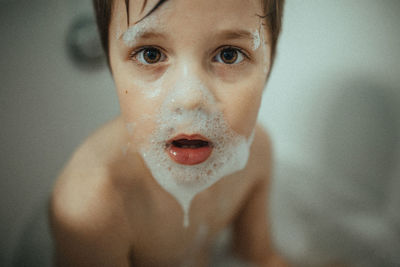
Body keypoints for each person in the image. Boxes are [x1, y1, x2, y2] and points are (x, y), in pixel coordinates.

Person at [49, 0, 286, 266]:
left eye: (229, 54)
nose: (190, 99)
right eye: (151, 54)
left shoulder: (257, 152)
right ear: (110, 64)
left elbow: (258, 255)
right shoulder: (93, 203)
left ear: (270, 63)